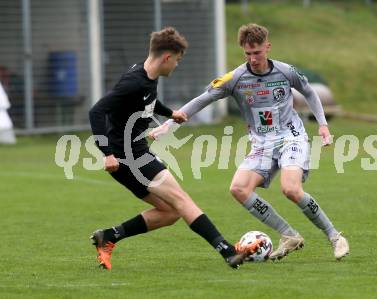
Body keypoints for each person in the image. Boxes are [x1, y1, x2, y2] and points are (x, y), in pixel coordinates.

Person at [150, 23, 349, 261]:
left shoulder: (286, 72)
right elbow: (201, 100)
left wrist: (323, 124)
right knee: (239, 189)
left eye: (257, 53)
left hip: (290, 137)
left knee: (291, 189)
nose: (253, 59)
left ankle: (335, 236)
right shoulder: (235, 78)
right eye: (248, 53)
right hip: (262, 144)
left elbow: (309, 92)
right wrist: (169, 124)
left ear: (268, 47)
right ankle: (289, 235)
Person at [88, 27, 260, 270]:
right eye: (177, 60)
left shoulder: (145, 75)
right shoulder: (133, 82)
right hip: (130, 156)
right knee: (181, 200)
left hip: (133, 154)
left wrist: (171, 113)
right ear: (167, 57)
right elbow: (96, 111)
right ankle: (227, 251)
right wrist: (107, 154)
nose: (177, 66)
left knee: (170, 212)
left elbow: (146, 101)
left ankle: (109, 236)